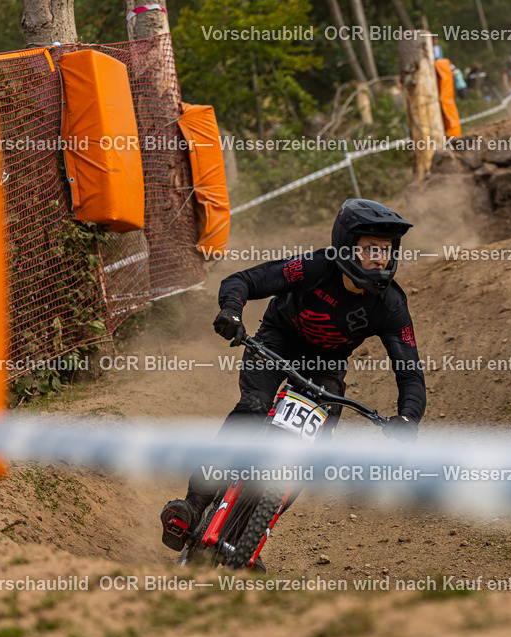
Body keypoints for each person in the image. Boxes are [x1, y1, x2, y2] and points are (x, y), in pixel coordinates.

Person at [160, 199, 427, 569]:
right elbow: (244, 281)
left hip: (326, 366)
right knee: (253, 407)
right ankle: (194, 504)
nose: (380, 259)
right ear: (348, 247)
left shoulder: (391, 304)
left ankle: (248, 539)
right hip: (276, 340)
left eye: (386, 250)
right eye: (371, 249)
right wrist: (231, 311)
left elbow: (410, 371)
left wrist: (408, 418)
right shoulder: (316, 266)